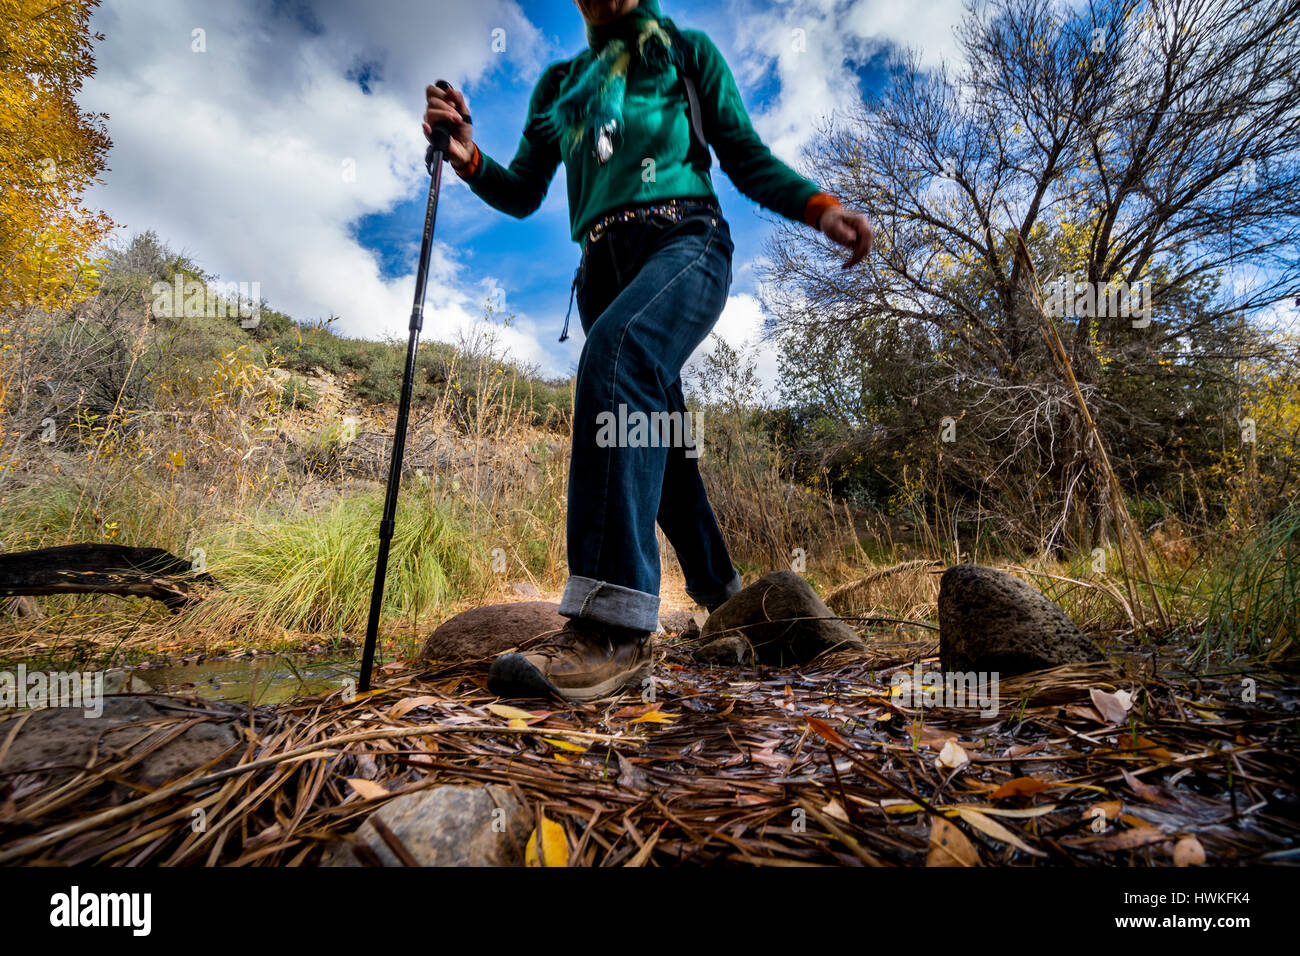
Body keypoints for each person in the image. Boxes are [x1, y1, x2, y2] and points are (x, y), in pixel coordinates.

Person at [422, 0, 872, 701]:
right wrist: (468, 156)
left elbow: (744, 156)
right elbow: (521, 191)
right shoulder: (559, 85)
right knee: (659, 436)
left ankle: (612, 632)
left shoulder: (687, 53)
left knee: (618, 358)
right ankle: (726, 599)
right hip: (601, 269)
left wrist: (819, 206)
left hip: (685, 241)